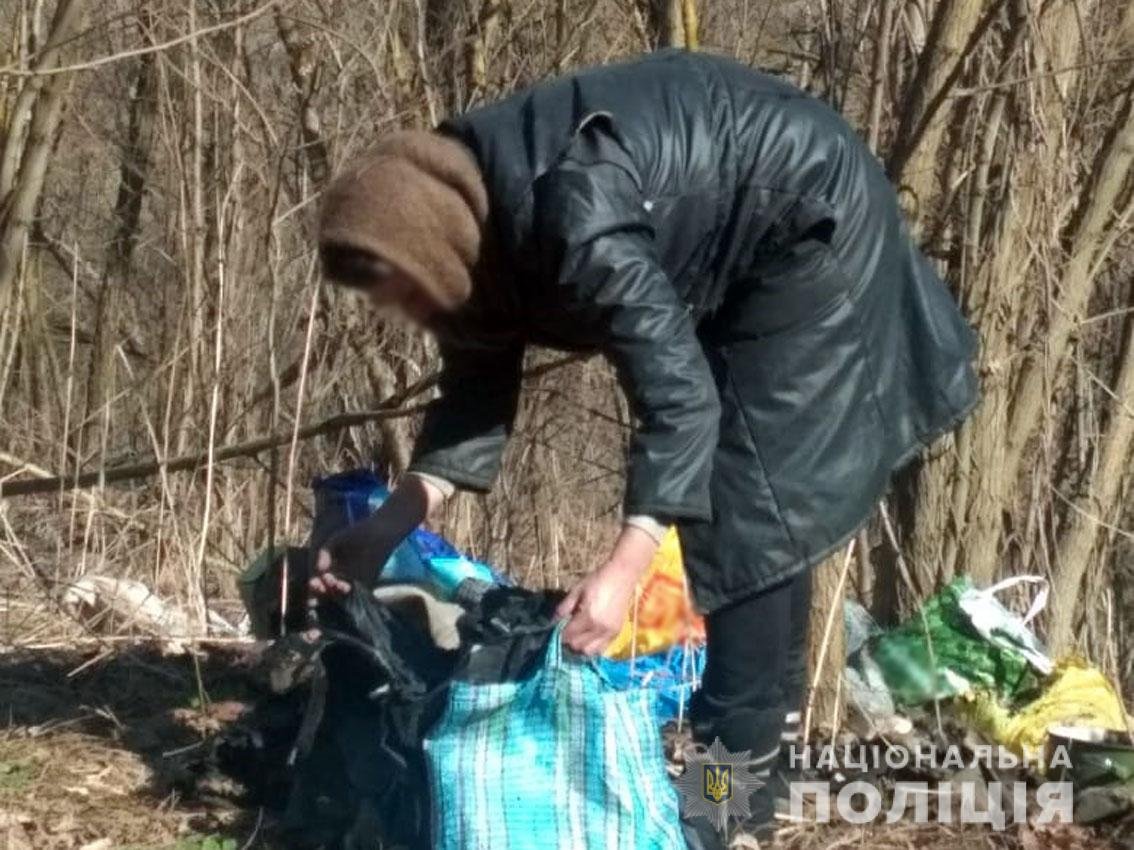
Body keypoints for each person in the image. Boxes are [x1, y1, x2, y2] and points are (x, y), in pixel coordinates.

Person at [311, 50, 978, 843]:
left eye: (401, 288)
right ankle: (744, 792)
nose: (404, 311)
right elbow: (473, 402)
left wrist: (627, 566)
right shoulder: (477, 237)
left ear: (431, 246)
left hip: (809, 225)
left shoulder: (573, 212)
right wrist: (381, 532)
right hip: (735, 242)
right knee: (747, 523)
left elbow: (680, 397)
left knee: (749, 524)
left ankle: (726, 811)